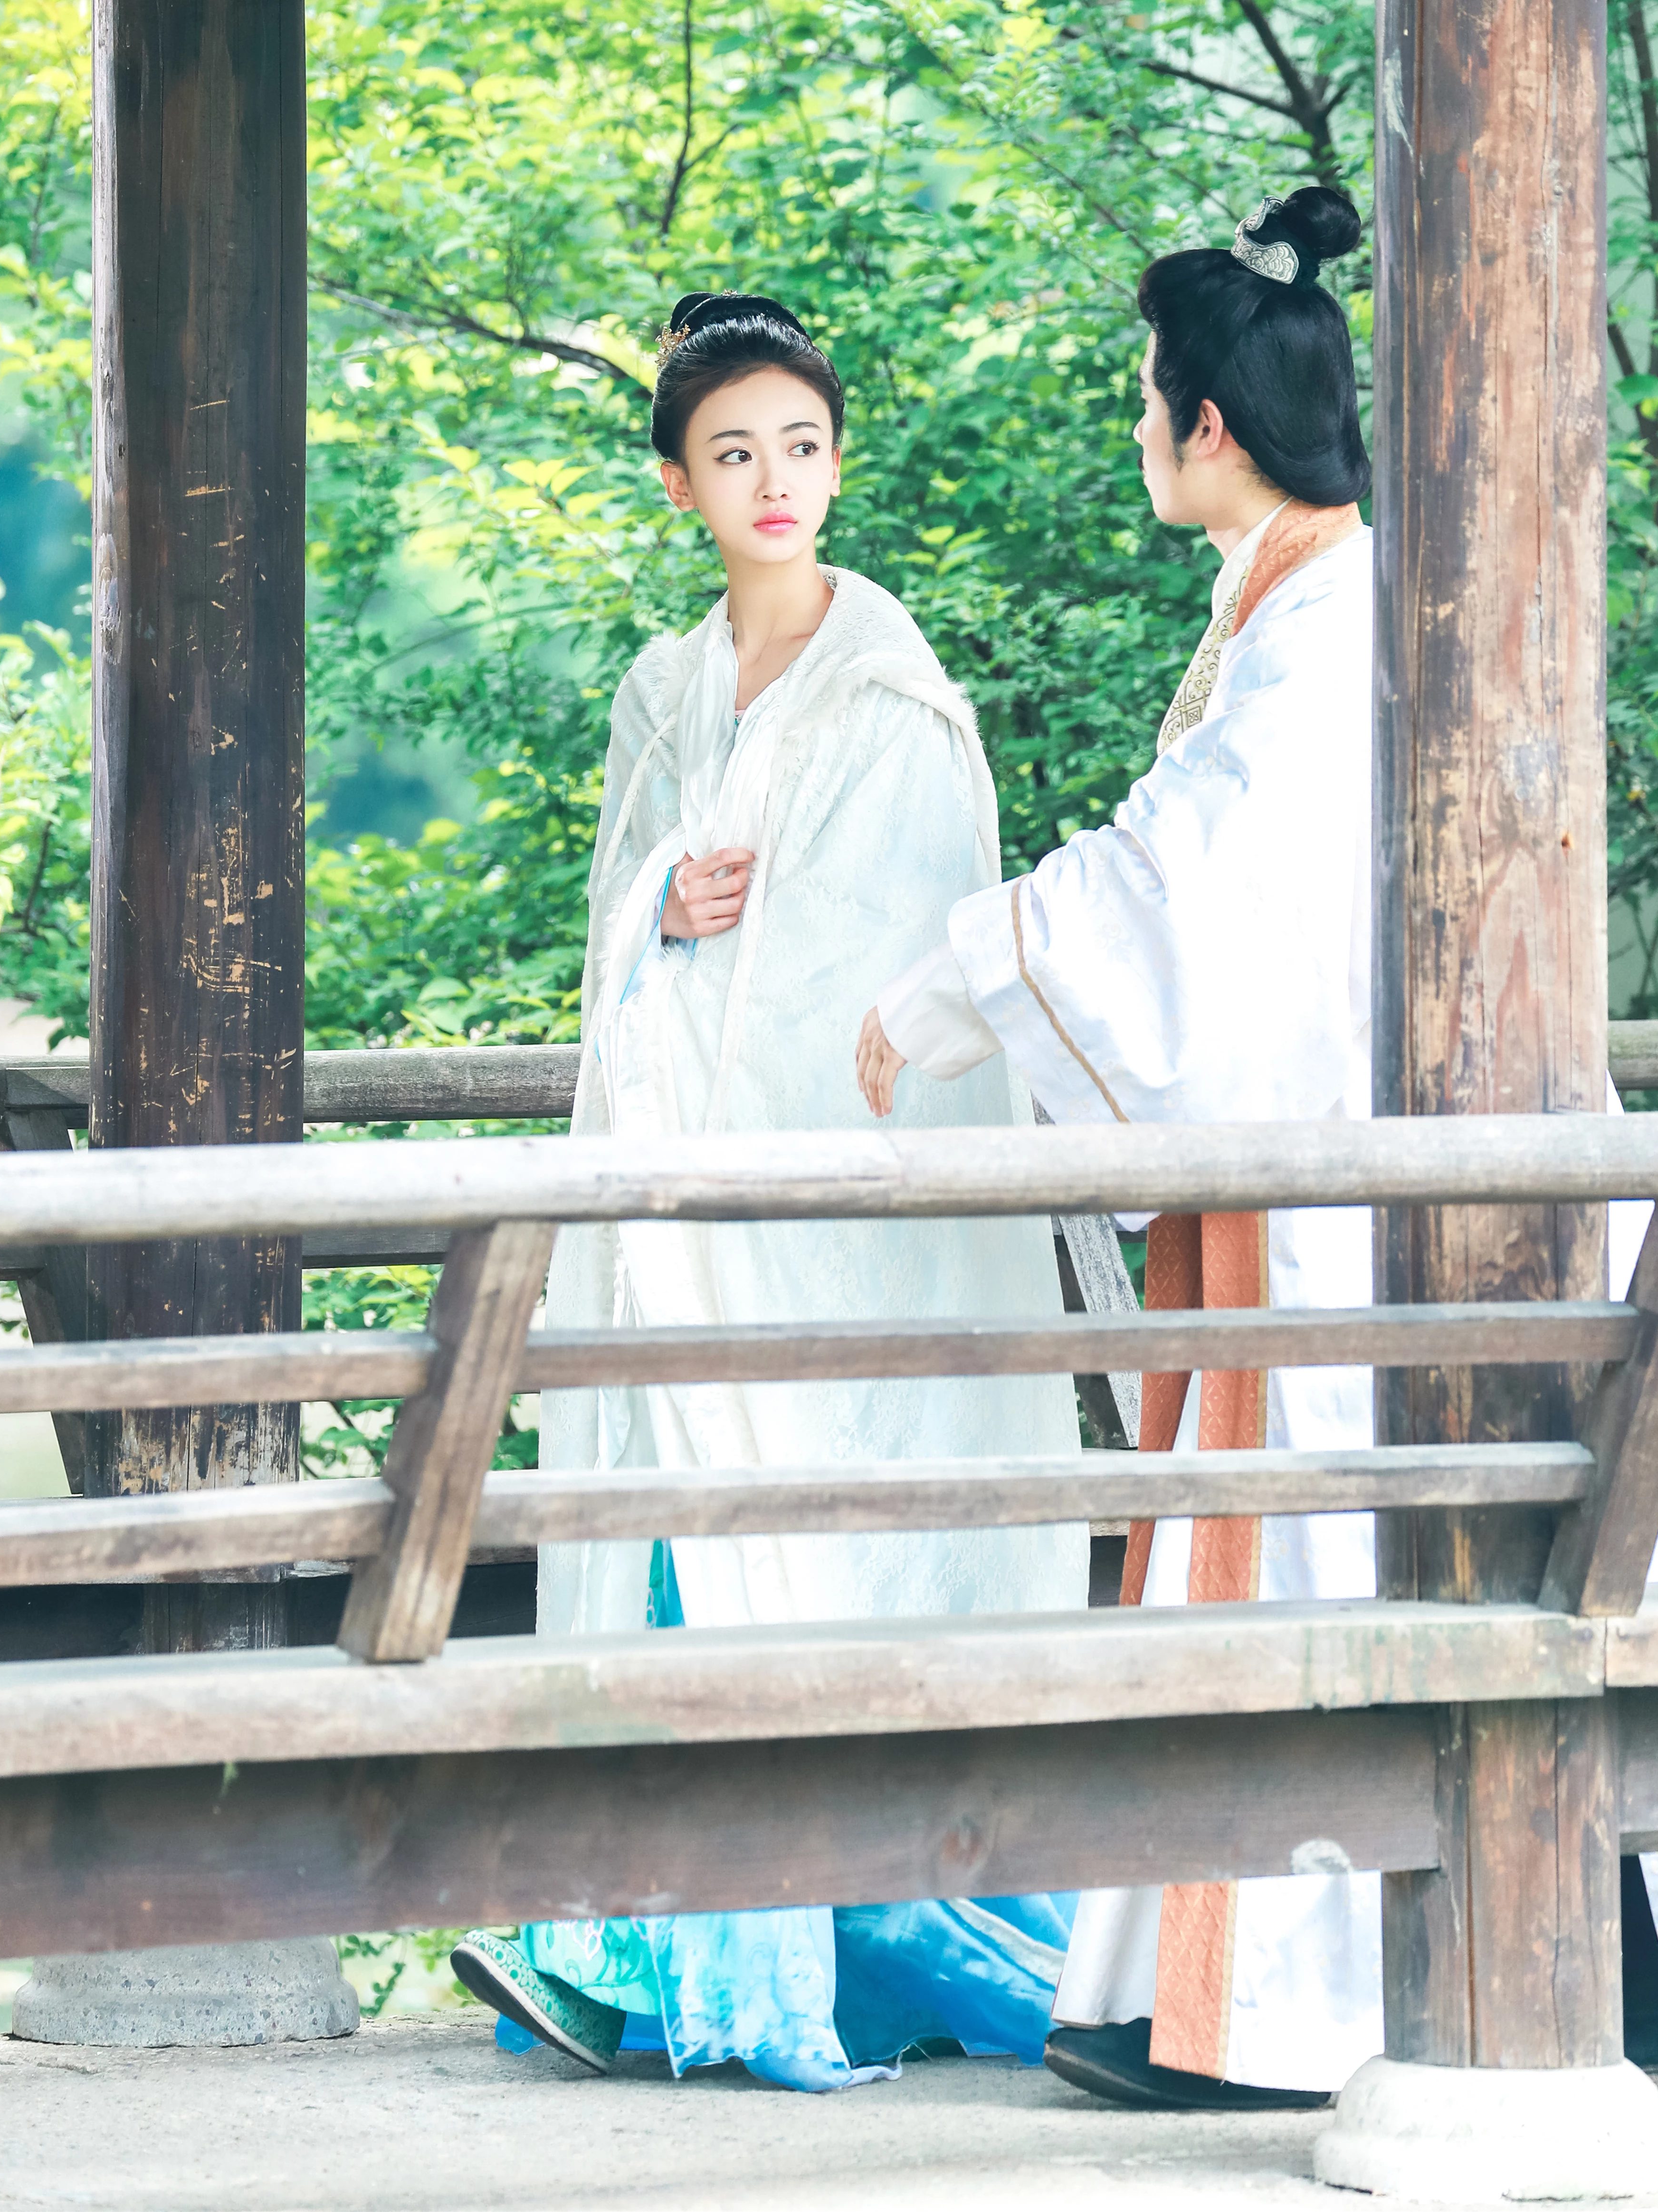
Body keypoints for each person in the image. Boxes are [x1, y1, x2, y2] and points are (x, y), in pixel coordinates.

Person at [859, 185, 1658, 2107]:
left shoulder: (1329, 634)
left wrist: (953, 980)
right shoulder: (1306, 605)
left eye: (1144, 396)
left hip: (1367, 1204)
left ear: (1206, 424)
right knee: (1289, 1547)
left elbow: (1178, 894)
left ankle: (1296, 2012)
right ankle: (1208, 1999)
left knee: (1316, 1554)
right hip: (1341, 1184)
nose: (1136, 427)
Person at [451, 292, 1087, 2089]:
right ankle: (626, 1948)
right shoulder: (662, 688)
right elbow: (621, 926)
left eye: (800, 446)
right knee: (673, 1529)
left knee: (808, 1546)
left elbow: (895, 965)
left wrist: (744, 973)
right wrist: (658, 903)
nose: (773, 479)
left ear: (837, 463)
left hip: (826, 1206)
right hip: (677, 1189)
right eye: (733, 453)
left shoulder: (894, 694)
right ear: (680, 483)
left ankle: (805, 1952)